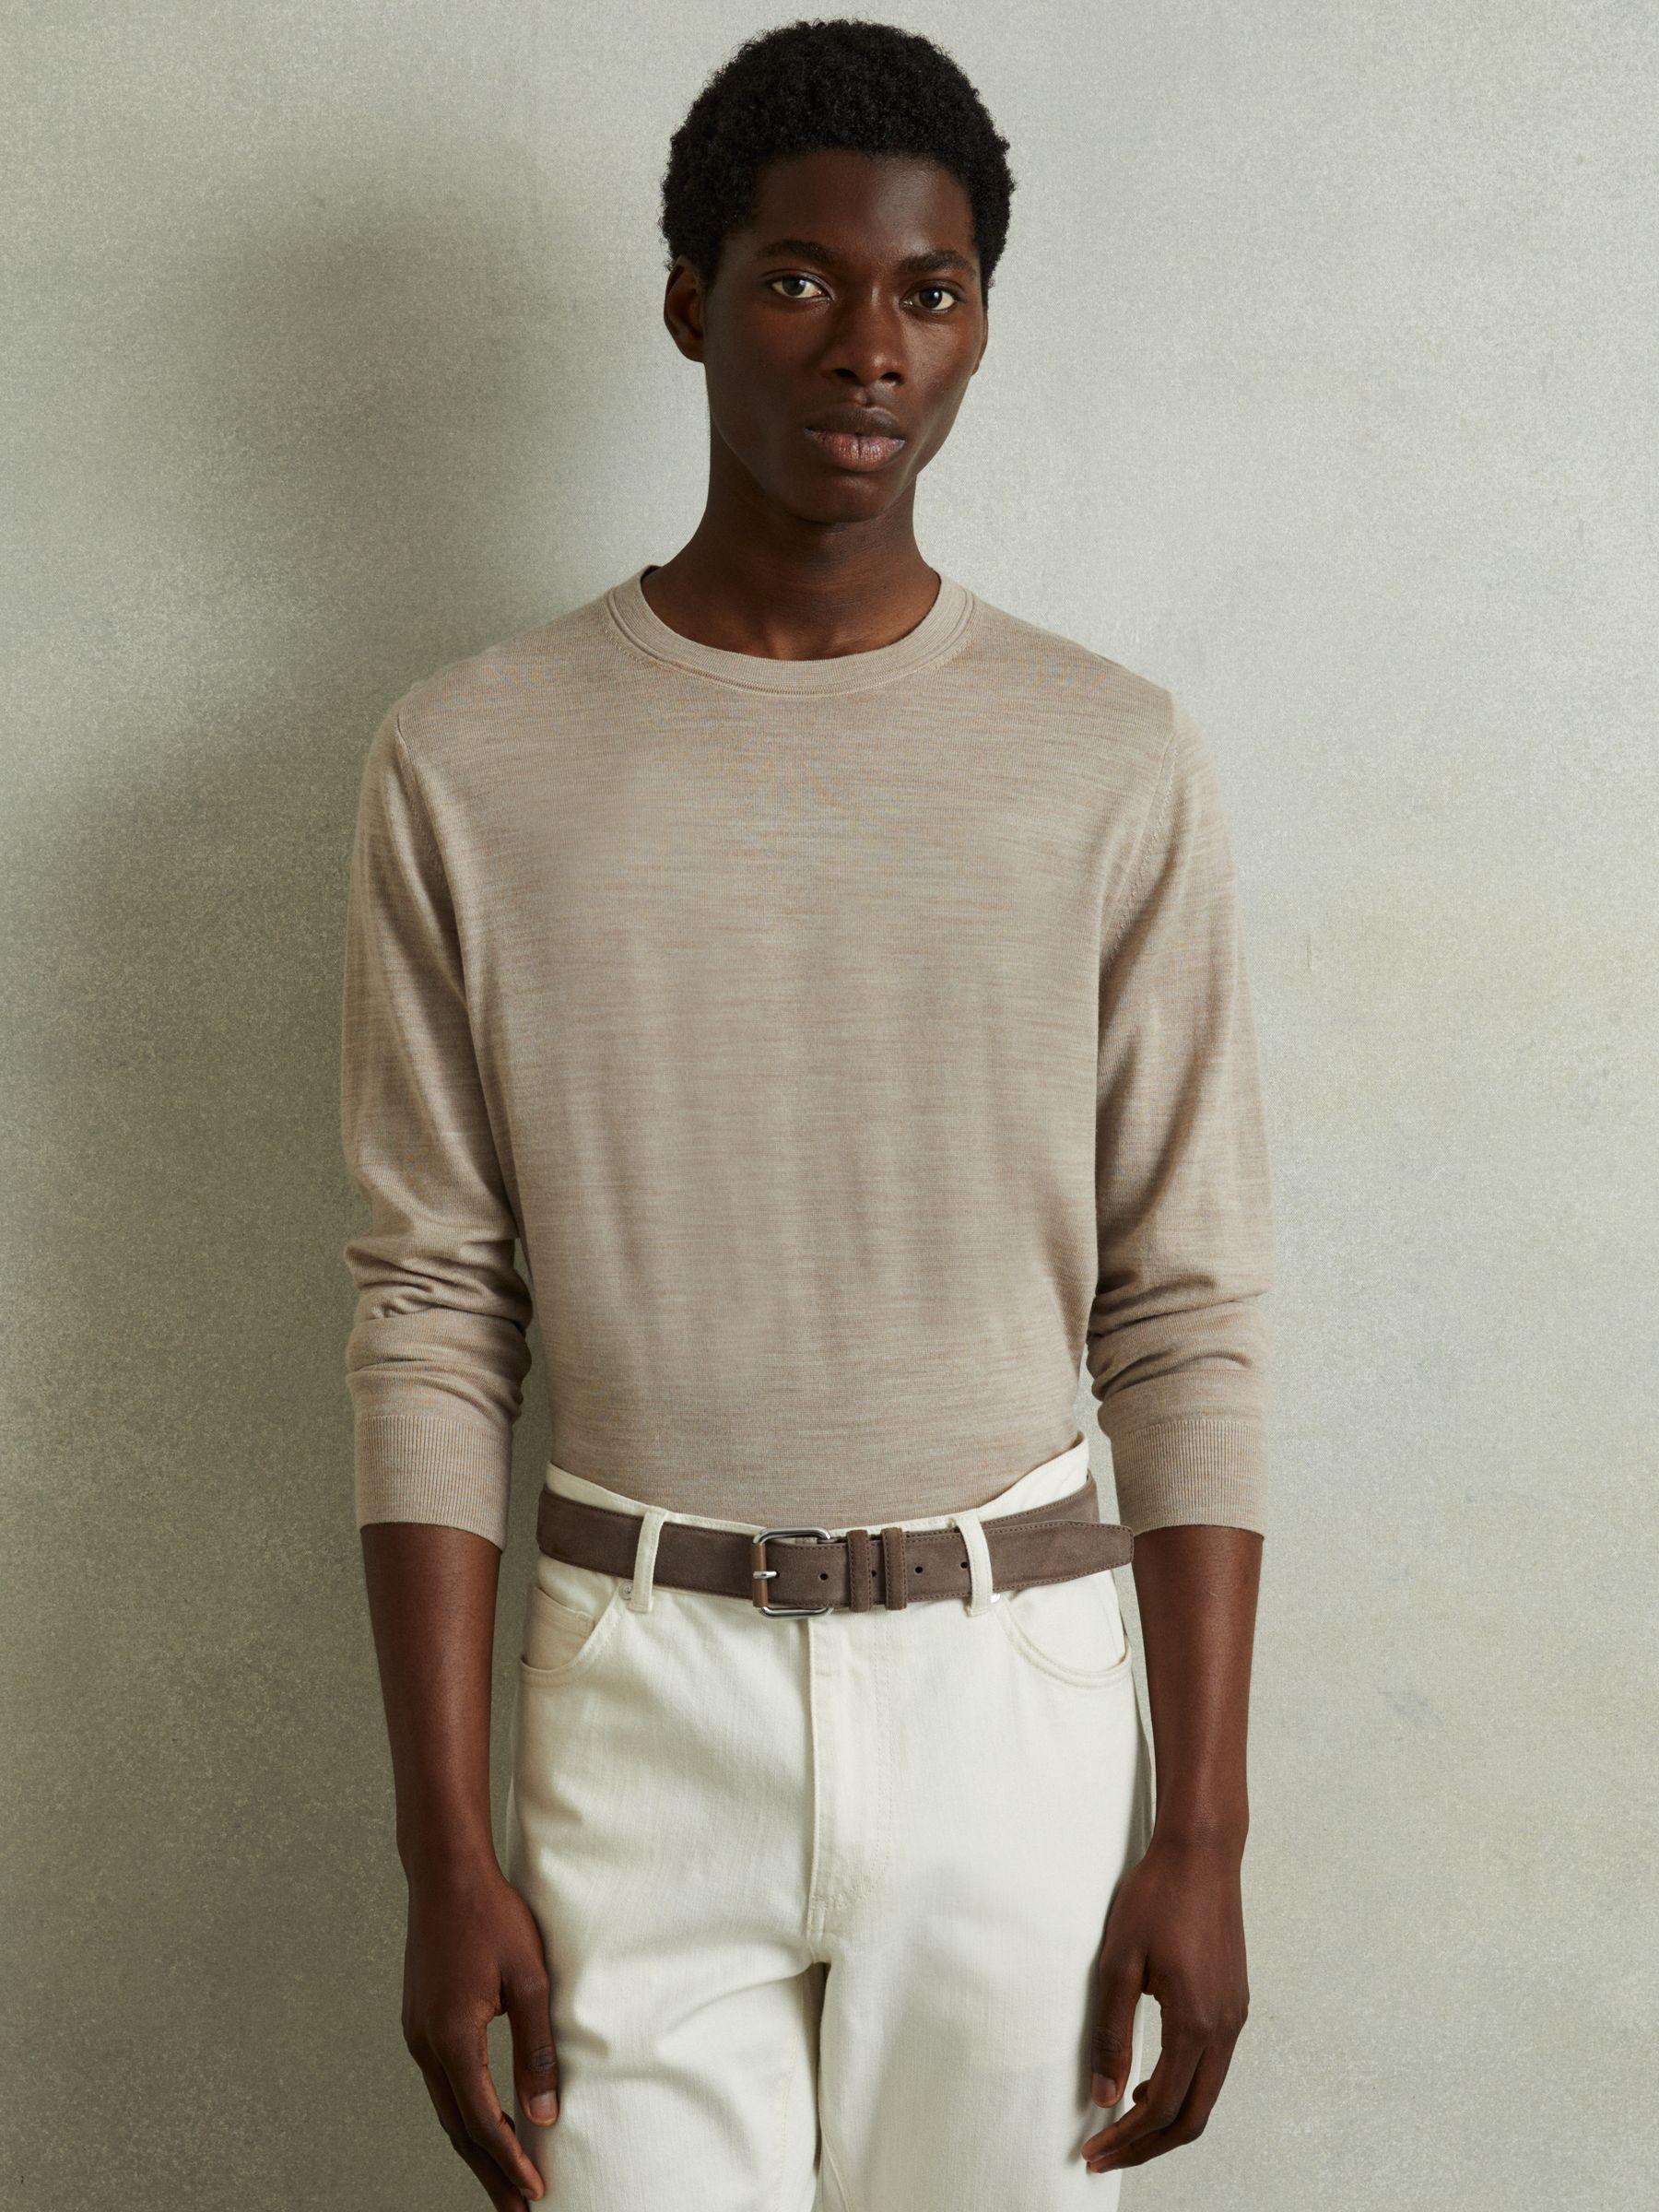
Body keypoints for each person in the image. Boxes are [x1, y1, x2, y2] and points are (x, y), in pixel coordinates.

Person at [339, 18, 1273, 2209]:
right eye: (800, 280)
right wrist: (443, 1850)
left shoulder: (1109, 758)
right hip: (632, 1679)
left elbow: (1187, 1309)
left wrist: (1208, 1830)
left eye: (929, 291)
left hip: (1017, 1691)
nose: (870, 347)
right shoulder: (468, 761)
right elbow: (431, 1311)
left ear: (978, 329)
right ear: (690, 301)